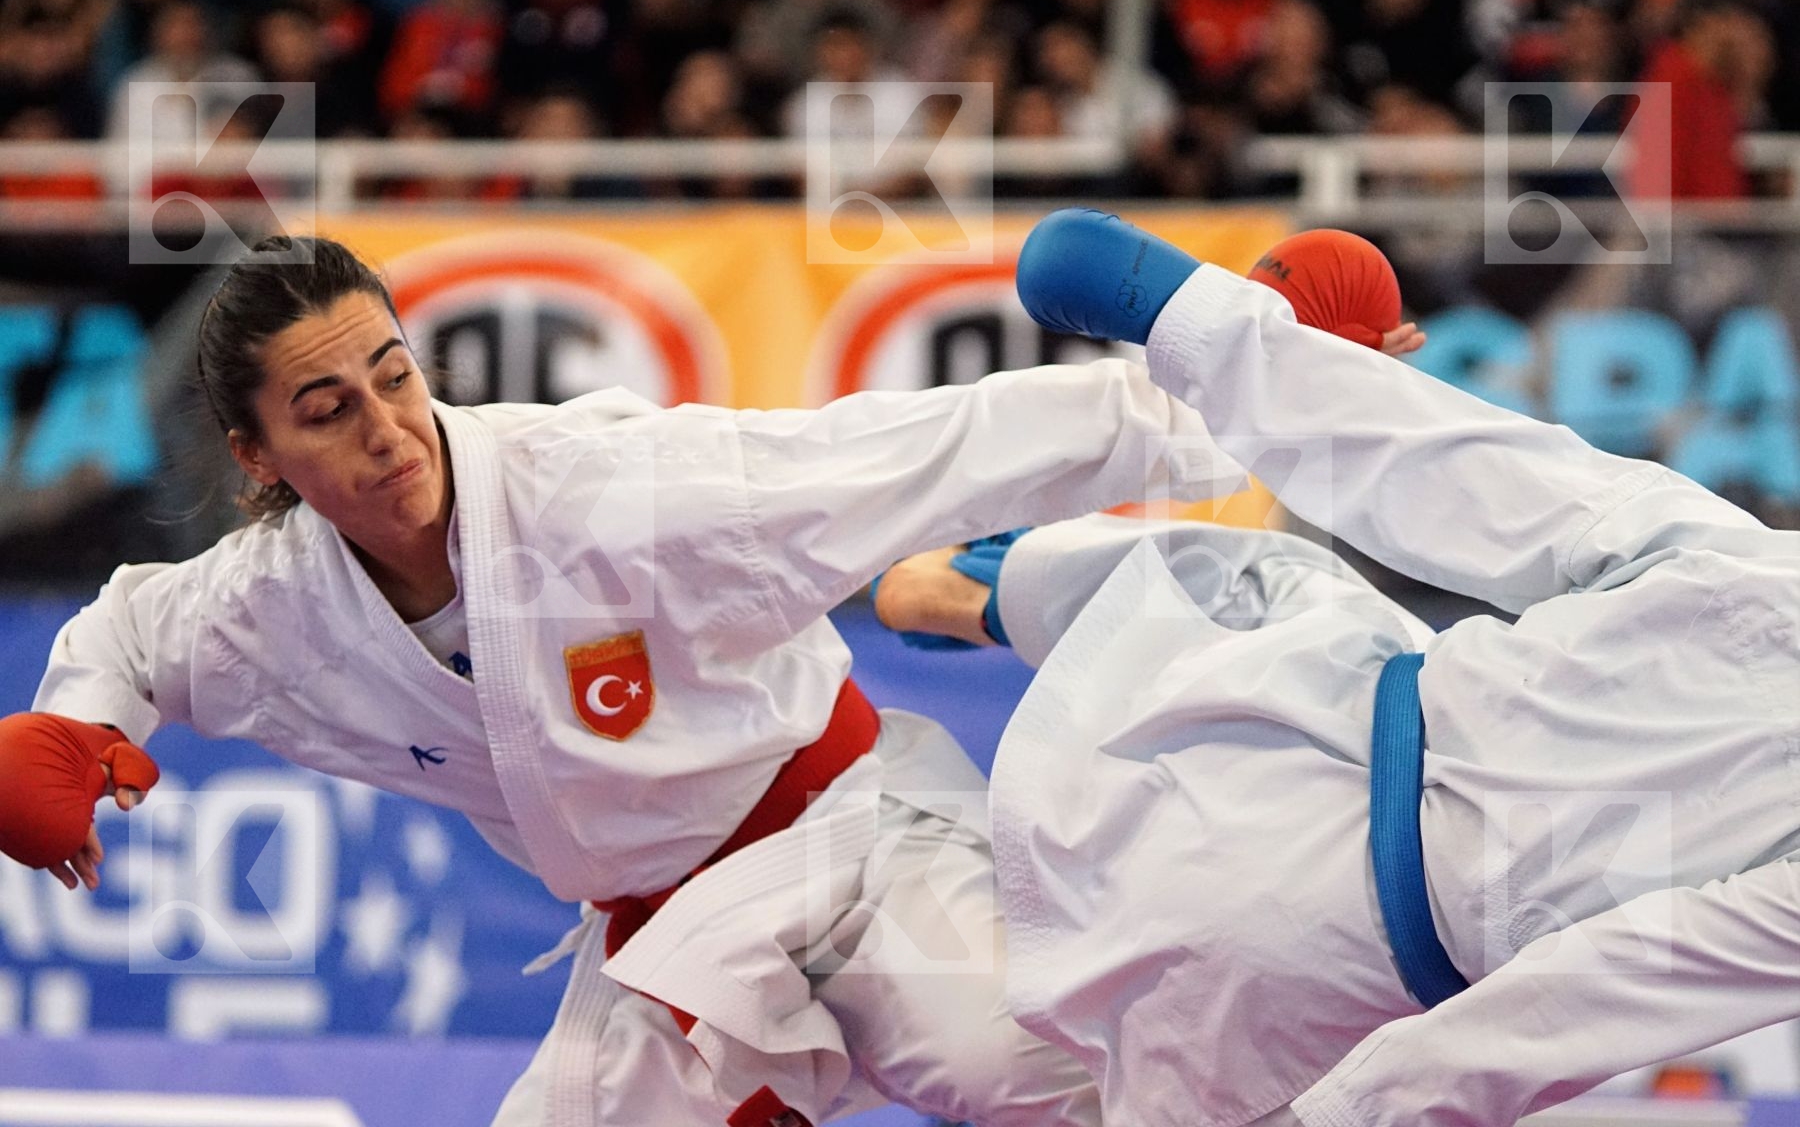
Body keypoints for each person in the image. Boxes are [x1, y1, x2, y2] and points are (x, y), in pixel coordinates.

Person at [0, 231, 1330, 1126]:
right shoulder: (266, 606)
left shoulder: (607, 489)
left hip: (852, 853)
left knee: (1071, 1079)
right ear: (257, 456)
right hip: (655, 942)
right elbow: (125, 632)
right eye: (328, 409)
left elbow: (930, 446)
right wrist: (69, 731)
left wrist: (1238, 364)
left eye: (391, 375)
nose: (386, 426)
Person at [877, 209, 1800, 1127]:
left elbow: (1465, 477)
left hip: (1244, 730)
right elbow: (1597, 992)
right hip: (1300, 969)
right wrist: (1349, 1113)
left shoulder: (1763, 570)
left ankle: (986, 587)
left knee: (1278, 583)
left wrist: (1206, 324)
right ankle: (1002, 579)